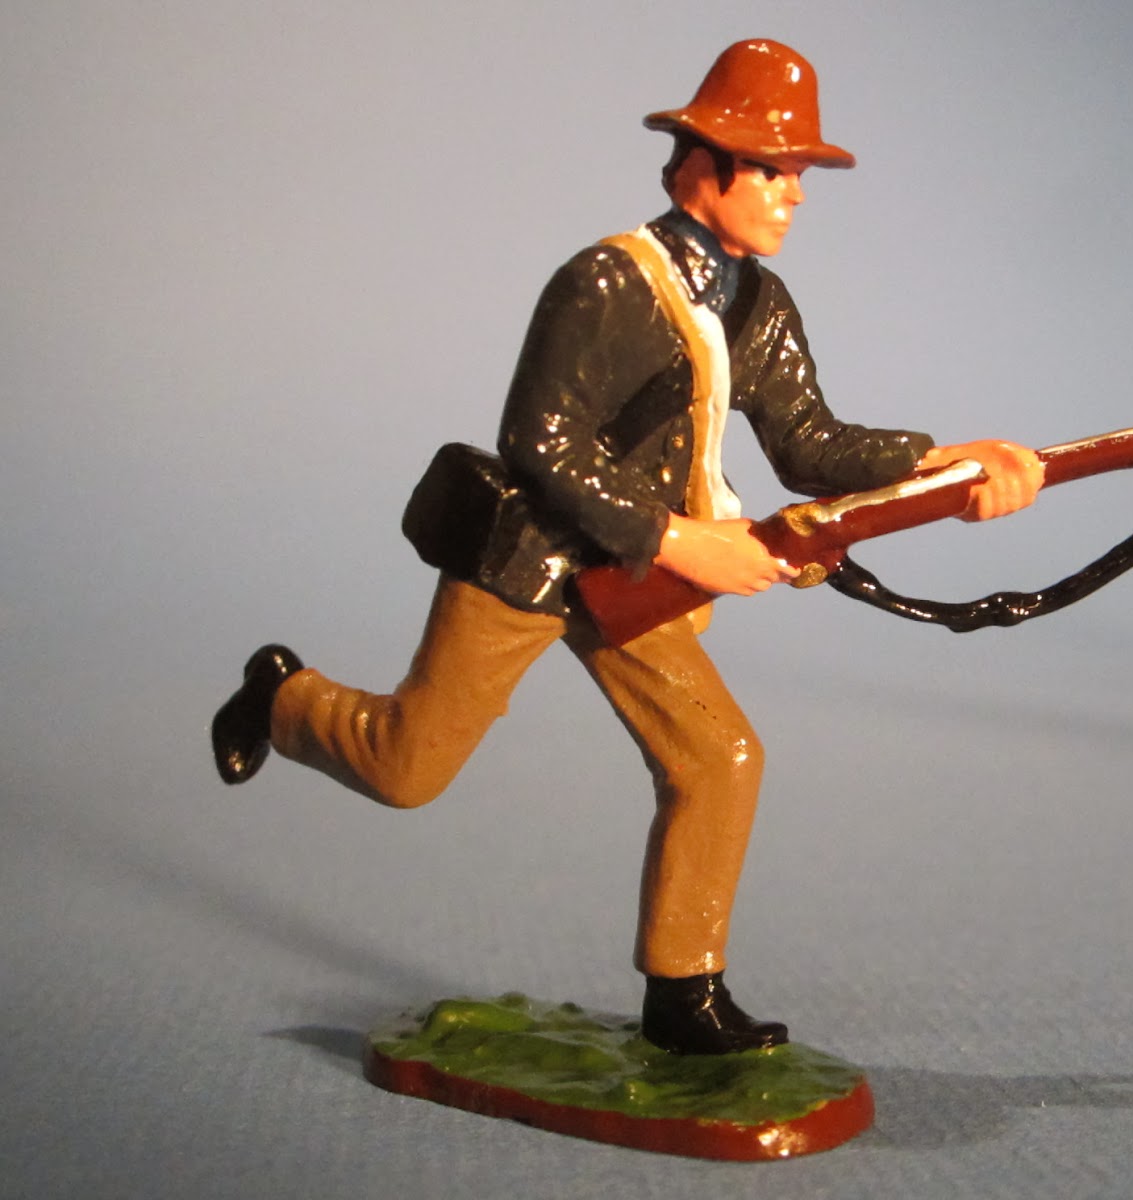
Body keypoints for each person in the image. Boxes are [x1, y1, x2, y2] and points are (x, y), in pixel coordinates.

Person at [211, 38, 1043, 1055]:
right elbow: (540, 442)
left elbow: (809, 445)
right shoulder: (606, 282)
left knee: (720, 758)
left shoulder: (760, 305)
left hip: (637, 581)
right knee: (405, 767)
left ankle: (682, 992)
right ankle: (282, 696)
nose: (793, 194)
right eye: (771, 169)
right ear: (701, 168)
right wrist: (685, 541)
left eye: (797, 173)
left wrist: (941, 461)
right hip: (531, 558)